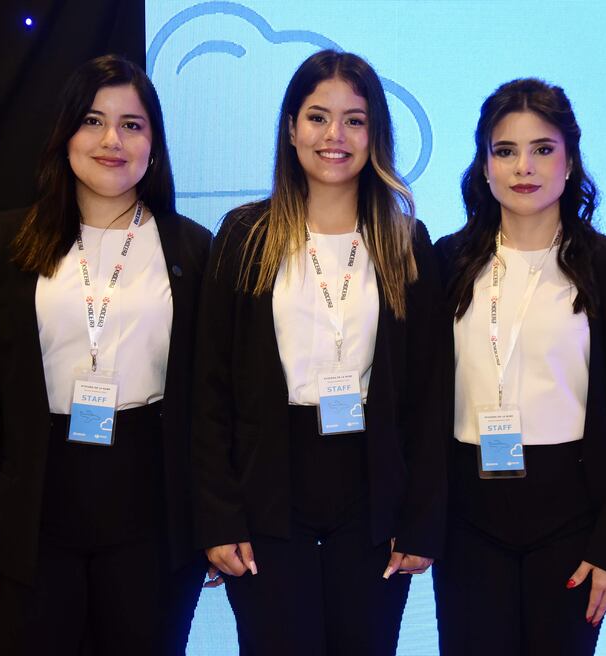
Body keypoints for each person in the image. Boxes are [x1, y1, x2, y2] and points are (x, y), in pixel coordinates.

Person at [0, 54, 210, 656]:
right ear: (65, 136)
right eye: (93, 121)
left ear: (155, 145)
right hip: (32, 512)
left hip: (151, 514)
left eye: (132, 125)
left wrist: (211, 525)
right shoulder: (3, 242)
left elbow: (209, 402)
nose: (112, 140)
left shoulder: (193, 247)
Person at [191, 49, 447, 655]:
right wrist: (218, 516)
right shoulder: (245, 235)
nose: (335, 136)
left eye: (354, 120)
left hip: (373, 498)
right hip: (267, 496)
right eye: (317, 117)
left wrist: (419, 520)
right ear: (290, 127)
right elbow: (208, 390)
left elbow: (431, 396)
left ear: (374, 134)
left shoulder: (406, 242)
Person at [431, 78, 606, 655]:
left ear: (570, 161)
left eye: (543, 149)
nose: (524, 167)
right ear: (484, 165)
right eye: (505, 150)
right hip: (468, 519)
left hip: (574, 521)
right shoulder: (446, 261)